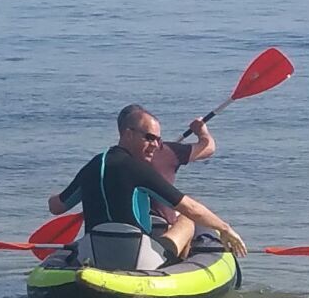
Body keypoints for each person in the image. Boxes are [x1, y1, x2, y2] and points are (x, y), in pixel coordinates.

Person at [47, 105, 246, 267]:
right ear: (128, 134)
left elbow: (56, 207)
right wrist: (225, 228)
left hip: (92, 258)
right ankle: (178, 265)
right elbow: (190, 208)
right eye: (150, 138)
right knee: (187, 219)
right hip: (137, 261)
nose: (156, 145)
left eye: (158, 140)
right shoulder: (139, 169)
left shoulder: (93, 165)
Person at [145, 115, 216, 226]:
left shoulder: (116, 157)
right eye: (151, 138)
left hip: (128, 225)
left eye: (158, 139)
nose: (155, 143)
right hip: (161, 225)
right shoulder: (166, 151)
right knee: (190, 212)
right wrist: (202, 132)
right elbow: (208, 148)